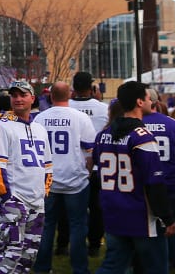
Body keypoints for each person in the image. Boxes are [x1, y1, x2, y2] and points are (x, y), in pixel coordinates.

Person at [90, 80, 175, 274]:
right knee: (155, 267)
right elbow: (154, 182)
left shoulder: (102, 135)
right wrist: (167, 217)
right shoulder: (143, 137)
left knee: (113, 265)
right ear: (139, 102)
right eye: (147, 97)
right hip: (140, 216)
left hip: (113, 210)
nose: (150, 101)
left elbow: (96, 172)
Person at [30, 82, 97, 274]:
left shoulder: (40, 118)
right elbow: (90, 151)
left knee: (46, 225)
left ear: (51, 96)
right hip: (75, 179)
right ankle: (80, 268)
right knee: (77, 226)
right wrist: (88, 172)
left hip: (48, 179)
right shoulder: (81, 118)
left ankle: (42, 267)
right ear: (70, 95)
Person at [0, 81, 51, 274]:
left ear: (32, 98)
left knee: (28, 255)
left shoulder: (39, 129)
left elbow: (47, 166)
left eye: (23, 95)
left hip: (36, 201)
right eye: (14, 95)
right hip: (14, 200)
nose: (18, 99)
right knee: (11, 250)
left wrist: (43, 193)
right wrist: (7, 199)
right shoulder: (2, 127)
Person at [143, 88, 175, 274]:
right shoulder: (171, 124)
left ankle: (153, 263)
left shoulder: (136, 123)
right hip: (168, 181)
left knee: (147, 226)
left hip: (145, 184)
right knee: (172, 224)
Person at [69, 72, 108, 254]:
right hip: (96, 165)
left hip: (72, 165)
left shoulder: (66, 106)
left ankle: (64, 243)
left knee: (71, 210)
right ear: (92, 88)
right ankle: (94, 244)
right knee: (97, 208)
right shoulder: (103, 108)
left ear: (73, 88)